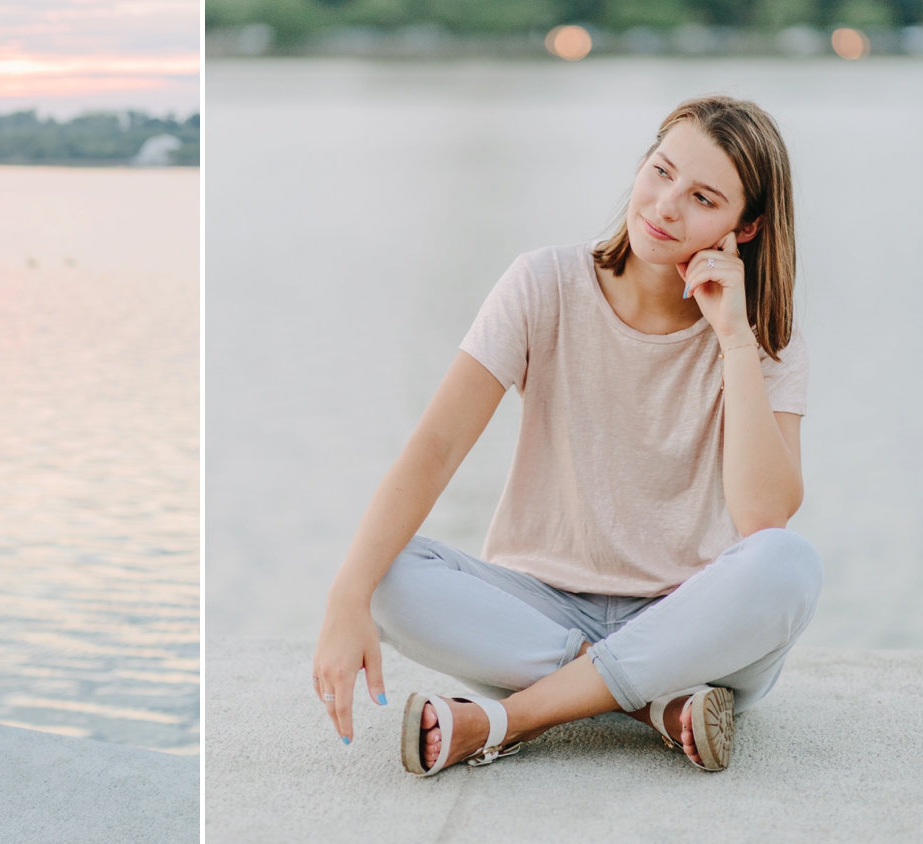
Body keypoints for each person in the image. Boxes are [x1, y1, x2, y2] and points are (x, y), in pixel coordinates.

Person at [311, 96, 822, 774]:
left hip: (686, 621)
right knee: (382, 572)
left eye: (702, 197)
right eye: (661, 171)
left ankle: (511, 718)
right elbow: (434, 449)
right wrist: (345, 597)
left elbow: (763, 518)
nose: (666, 205)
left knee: (788, 564)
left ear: (746, 226)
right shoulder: (543, 284)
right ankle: (655, 706)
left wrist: (733, 340)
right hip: (540, 613)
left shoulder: (764, 337)